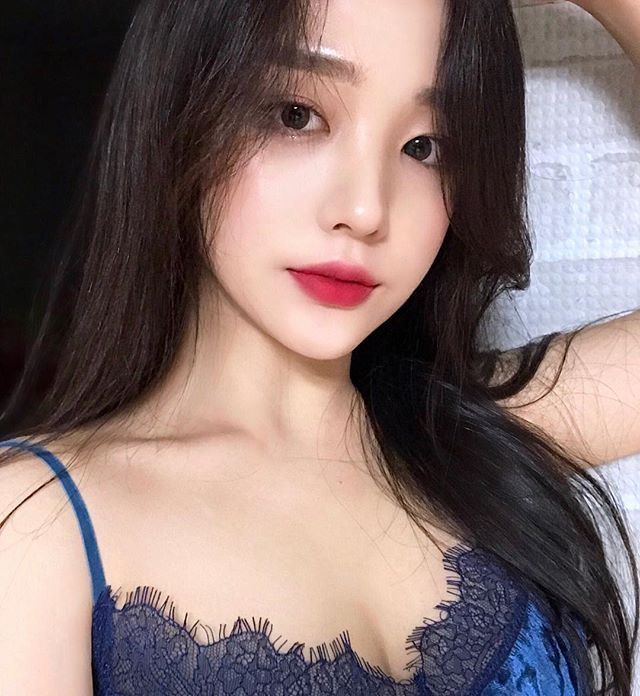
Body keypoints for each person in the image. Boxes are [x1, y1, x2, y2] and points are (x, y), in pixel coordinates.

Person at [0, 0, 639, 693]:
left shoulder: (471, 437)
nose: (365, 211)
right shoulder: (35, 523)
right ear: (181, 105)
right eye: (297, 115)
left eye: (425, 147)